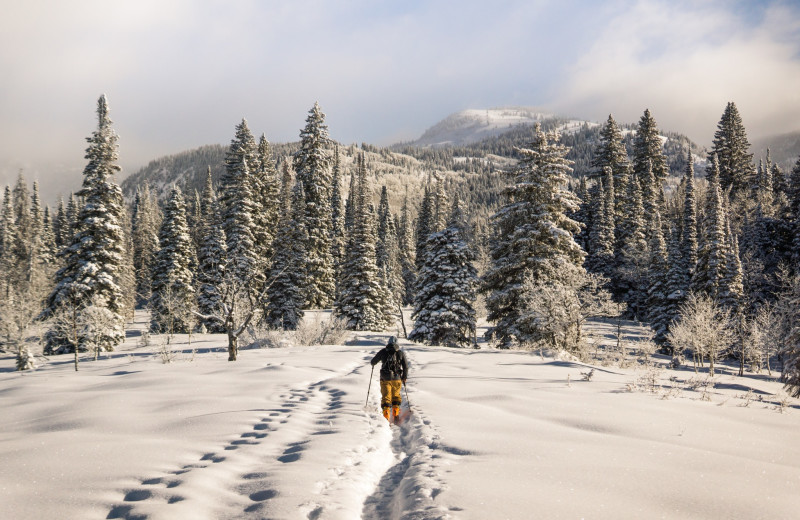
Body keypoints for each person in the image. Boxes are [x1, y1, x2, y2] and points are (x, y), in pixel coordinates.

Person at [370, 336, 408, 423]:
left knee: (386, 397)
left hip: (385, 378)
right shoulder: (400, 353)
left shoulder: (383, 351)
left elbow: (373, 361)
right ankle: (396, 415)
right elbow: (405, 366)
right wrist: (404, 377)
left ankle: (386, 418)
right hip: (397, 378)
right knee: (396, 396)